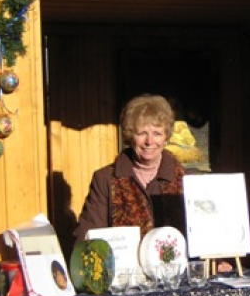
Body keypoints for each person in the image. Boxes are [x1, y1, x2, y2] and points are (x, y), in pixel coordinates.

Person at [74, 94, 186, 239]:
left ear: (166, 138)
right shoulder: (105, 179)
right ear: (130, 135)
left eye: (157, 134)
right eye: (142, 133)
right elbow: (86, 235)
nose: (149, 141)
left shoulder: (186, 179)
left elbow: (204, 234)